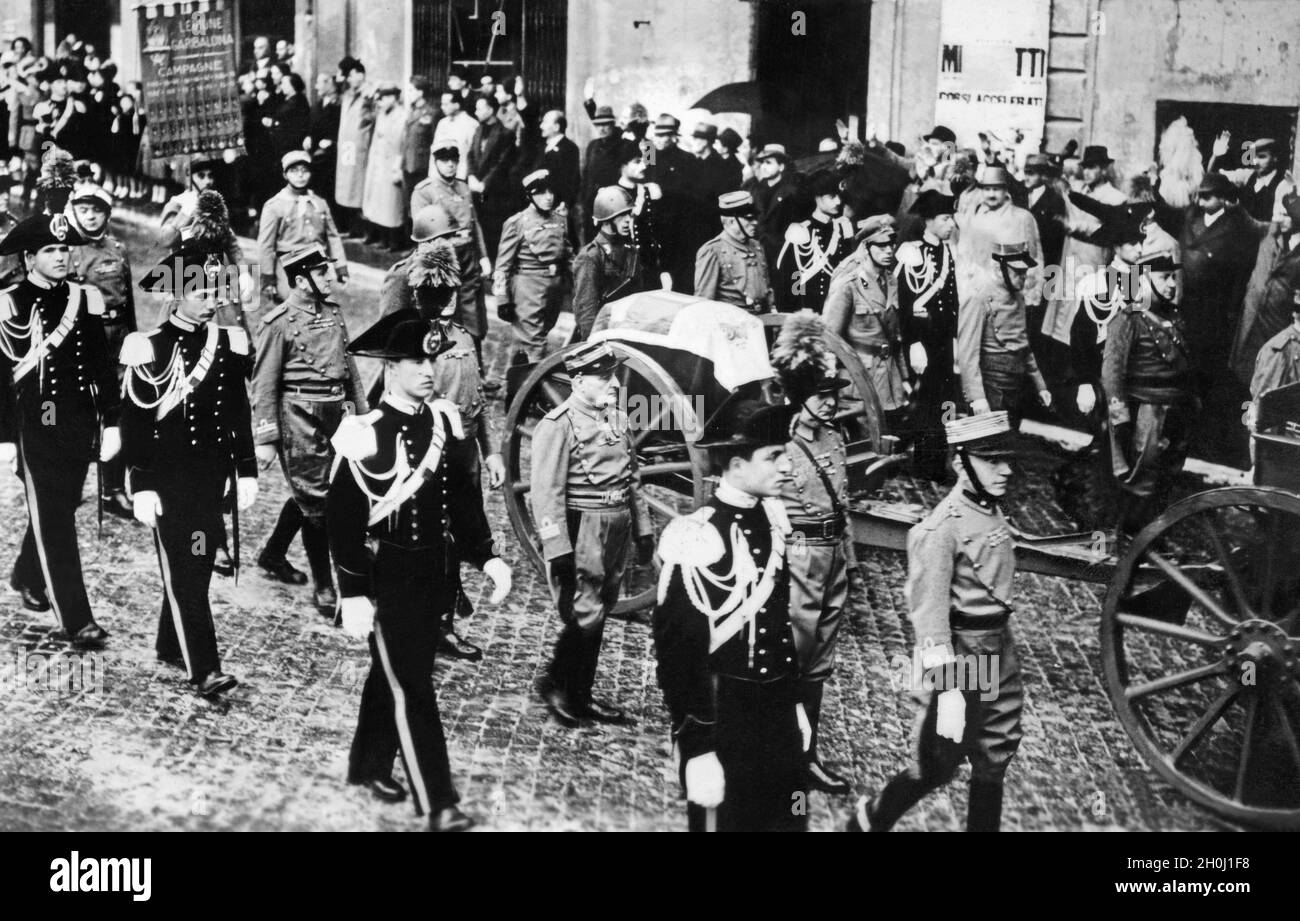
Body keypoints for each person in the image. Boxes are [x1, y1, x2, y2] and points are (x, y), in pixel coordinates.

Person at [328, 308, 512, 832]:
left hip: (436, 573)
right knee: (412, 683)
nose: (428, 369)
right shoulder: (362, 432)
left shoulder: (446, 420)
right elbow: (342, 522)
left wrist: (487, 555)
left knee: (397, 673)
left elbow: (463, 500)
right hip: (387, 576)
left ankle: (367, 765)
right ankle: (439, 802)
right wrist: (355, 591)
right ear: (390, 367)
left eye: (430, 358)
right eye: (414, 361)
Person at [849, 411, 1025, 833]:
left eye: (1006, 459)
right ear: (961, 463)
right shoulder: (940, 530)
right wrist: (945, 688)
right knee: (938, 759)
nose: (1005, 469)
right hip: (961, 661)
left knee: (996, 750)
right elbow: (929, 617)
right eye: (990, 460)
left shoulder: (992, 513)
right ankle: (870, 820)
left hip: (997, 649)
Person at [651, 388, 808, 831]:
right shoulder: (697, 539)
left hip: (775, 709)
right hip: (724, 715)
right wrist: (698, 746)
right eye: (774, 455)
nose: (786, 465)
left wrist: (792, 702)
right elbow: (678, 654)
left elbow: (778, 623)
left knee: (788, 817)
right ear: (736, 465)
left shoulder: (774, 520)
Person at [121, 243, 259, 697]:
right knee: (185, 567)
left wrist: (246, 471)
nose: (211, 299)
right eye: (201, 290)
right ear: (176, 294)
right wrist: (140, 484)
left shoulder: (227, 342)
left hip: (210, 480)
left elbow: (238, 412)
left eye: (215, 291)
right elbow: (137, 422)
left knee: (196, 564)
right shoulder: (148, 347)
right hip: (166, 481)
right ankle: (204, 669)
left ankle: (169, 641)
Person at [376, 203, 504, 661]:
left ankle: (442, 616)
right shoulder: (406, 289)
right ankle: (426, 619)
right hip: (427, 448)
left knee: (458, 534)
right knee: (427, 536)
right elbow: (391, 351)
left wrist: (490, 452)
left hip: (463, 451)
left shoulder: (464, 337)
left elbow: (477, 398)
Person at [0, 213, 118, 636]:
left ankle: (27, 574)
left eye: (65, 249)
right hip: (32, 424)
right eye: (50, 250)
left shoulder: (83, 298)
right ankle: (77, 618)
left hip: (78, 420)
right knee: (55, 517)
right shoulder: (8, 302)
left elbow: (103, 365)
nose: (60, 256)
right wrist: (4, 437)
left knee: (61, 506)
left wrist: (114, 420)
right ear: (29, 257)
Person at [530, 341, 653, 726]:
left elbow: (632, 478)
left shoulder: (617, 418)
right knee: (586, 609)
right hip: (583, 525)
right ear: (579, 381)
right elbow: (545, 492)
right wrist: (557, 548)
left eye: (613, 376)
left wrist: (644, 528)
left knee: (601, 607)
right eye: (604, 378)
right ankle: (559, 686)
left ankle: (578, 692)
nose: (613, 384)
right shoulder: (558, 425)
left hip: (616, 524)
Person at [252, 245, 367, 614]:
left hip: (337, 413)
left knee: (318, 489)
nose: (329, 278)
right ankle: (324, 584)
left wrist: (361, 415)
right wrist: (266, 438)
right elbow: (264, 384)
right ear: (301, 281)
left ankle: (273, 553)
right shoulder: (278, 323)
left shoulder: (333, 313)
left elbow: (349, 370)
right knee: (317, 500)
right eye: (321, 273)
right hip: (299, 416)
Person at [770, 313, 854, 796]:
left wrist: (848, 560)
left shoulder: (833, 438)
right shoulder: (781, 443)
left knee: (818, 659)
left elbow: (843, 505)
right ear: (799, 397)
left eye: (833, 395)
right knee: (791, 654)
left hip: (831, 555)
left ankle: (805, 755)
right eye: (821, 395)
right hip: (798, 555)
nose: (830, 403)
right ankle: (773, 751)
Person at [1103, 251, 1194, 537]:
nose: (1171, 285)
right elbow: (1112, 372)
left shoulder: (1173, 317)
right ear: (1143, 280)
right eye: (1164, 277)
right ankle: (1129, 541)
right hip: (1148, 412)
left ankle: (1151, 538)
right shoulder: (1127, 319)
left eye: (1172, 278)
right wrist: (1120, 418)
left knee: (1166, 477)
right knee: (1141, 479)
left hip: (1176, 409)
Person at [1178, 171, 1262, 467]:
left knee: (1207, 373)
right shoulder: (1191, 216)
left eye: (1208, 196)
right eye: (1200, 195)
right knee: (1182, 367)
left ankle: (1203, 437)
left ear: (1222, 199)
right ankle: (1183, 431)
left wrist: (1230, 309)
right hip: (1184, 305)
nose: (1202, 201)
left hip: (1213, 312)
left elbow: (1240, 272)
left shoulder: (1235, 225)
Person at [65, 183, 136, 519]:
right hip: (85, 340)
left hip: (118, 339)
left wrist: (133, 341)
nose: (90, 216)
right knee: (80, 414)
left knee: (118, 414)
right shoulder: (67, 251)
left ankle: (114, 490)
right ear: (74, 212)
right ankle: (71, 485)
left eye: (96, 210)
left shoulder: (117, 249)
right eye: (83, 210)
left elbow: (129, 300)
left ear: (107, 214)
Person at [895, 189, 961, 481]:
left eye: (951, 218)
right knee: (924, 404)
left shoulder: (947, 252)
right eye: (946, 218)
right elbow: (905, 303)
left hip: (944, 341)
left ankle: (938, 460)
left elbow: (953, 300)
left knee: (945, 402)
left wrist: (956, 339)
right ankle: (923, 464)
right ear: (930, 221)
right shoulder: (911, 252)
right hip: (922, 341)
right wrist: (913, 344)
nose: (951, 224)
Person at [410, 142, 493, 368]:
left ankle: (477, 369)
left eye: (454, 160)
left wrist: (484, 256)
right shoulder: (424, 191)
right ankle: (446, 367)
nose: (450, 165)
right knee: (446, 314)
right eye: (445, 160)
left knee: (474, 315)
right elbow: (423, 232)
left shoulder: (464, 188)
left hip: (468, 258)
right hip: (444, 258)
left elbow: (474, 224)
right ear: (435, 162)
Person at [823, 215, 910, 431]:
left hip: (890, 377)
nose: (889, 250)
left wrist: (905, 376)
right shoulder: (849, 284)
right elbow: (829, 337)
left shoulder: (891, 279)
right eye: (881, 246)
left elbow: (894, 335)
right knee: (867, 442)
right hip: (860, 377)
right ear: (865, 248)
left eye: (891, 244)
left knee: (892, 436)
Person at [956, 239, 1052, 427]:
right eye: (1017, 272)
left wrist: (1040, 385)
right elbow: (967, 352)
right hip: (992, 383)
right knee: (994, 445)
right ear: (999, 268)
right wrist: (977, 397)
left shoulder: (1018, 295)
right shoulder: (978, 294)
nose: (1023, 277)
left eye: (1025, 271)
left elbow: (1022, 342)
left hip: (1018, 381)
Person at [493, 169, 572, 368]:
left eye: (551, 192)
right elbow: (502, 267)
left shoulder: (559, 220)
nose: (548, 197)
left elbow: (568, 255)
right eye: (541, 193)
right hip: (528, 288)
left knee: (533, 339)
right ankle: (536, 392)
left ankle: (515, 389)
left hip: (554, 288)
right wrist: (502, 299)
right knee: (535, 344)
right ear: (530, 195)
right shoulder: (516, 223)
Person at [257, 150, 348, 307]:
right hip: (289, 268)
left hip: (318, 266)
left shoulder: (319, 203)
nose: (300, 175)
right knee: (292, 309)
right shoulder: (275, 206)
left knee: (320, 309)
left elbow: (333, 237)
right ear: (285, 175)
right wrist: (268, 277)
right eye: (294, 171)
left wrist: (341, 268)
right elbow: (265, 245)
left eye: (304, 170)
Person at [955, 166, 1044, 309]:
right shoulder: (975, 219)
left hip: (1010, 303)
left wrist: (1030, 299)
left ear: (1005, 190)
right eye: (987, 189)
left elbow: (1035, 261)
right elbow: (963, 258)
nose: (991, 194)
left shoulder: (1022, 218)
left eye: (996, 189)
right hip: (980, 302)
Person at [571, 186, 649, 341]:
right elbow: (586, 310)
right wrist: (594, 344)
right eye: (621, 215)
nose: (628, 220)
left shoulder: (631, 251)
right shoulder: (591, 255)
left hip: (626, 331)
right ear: (606, 219)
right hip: (602, 334)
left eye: (629, 214)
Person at [776, 168, 853, 314]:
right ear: (817, 197)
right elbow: (794, 275)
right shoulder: (801, 231)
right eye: (831, 196)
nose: (838, 201)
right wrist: (799, 311)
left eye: (839, 196)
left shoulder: (843, 228)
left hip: (838, 308)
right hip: (809, 309)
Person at [694, 190, 774, 312]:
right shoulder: (713, 250)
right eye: (749, 219)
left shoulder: (757, 246)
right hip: (731, 325)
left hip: (762, 323)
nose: (755, 222)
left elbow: (766, 288)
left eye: (755, 218)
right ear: (731, 221)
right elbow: (704, 302)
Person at [1209, 133, 1295, 225]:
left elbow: (1278, 224)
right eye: (1254, 157)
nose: (1256, 162)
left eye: (1262, 157)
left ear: (1275, 158)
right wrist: (1215, 156)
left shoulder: (1282, 184)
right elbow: (1212, 178)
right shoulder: (1248, 175)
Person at [467, 94, 515, 257]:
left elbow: (502, 164)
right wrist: (471, 176)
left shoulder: (506, 133)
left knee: (494, 229)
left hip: (495, 192)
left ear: (490, 110)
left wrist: (485, 184)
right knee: (478, 227)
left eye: (480, 108)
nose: (476, 111)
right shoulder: (478, 129)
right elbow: (471, 155)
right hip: (476, 187)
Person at [334, 58, 373, 240]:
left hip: (361, 147)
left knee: (359, 188)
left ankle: (363, 229)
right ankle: (351, 227)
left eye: (351, 75)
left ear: (360, 74)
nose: (349, 80)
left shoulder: (369, 93)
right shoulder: (348, 94)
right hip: (347, 147)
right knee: (347, 187)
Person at [747, 143, 801, 269]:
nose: (763, 167)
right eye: (762, 163)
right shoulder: (755, 190)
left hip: (781, 255)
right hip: (756, 252)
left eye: (768, 163)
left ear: (781, 167)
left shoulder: (791, 193)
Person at [579, 104, 622, 243]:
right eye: (598, 125)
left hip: (613, 206)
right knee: (591, 244)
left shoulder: (624, 145)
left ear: (613, 125)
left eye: (606, 124)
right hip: (591, 205)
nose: (601, 128)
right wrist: (584, 199)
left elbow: (650, 163)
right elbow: (586, 175)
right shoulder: (592, 146)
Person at [399, 76, 437, 229]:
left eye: (411, 90)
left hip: (422, 166)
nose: (408, 93)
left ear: (420, 92)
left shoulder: (431, 112)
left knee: (422, 206)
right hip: (409, 164)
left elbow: (434, 140)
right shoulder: (412, 110)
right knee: (411, 205)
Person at [160, 156, 220, 232]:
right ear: (189, 179)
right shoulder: (176, 203)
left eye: (210, 176)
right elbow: (165, 238)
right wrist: (186, 212)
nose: (208, 181)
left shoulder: (213, 204)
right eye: (201, 175)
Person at [431, 89, 477, 181]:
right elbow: (435, 149)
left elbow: (473, 154)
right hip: (440, 176)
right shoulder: (442, 123)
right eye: (442, 104)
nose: (442, 107)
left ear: (456, 105)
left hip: (461, 176)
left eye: (446, 104)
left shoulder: (471, 124)